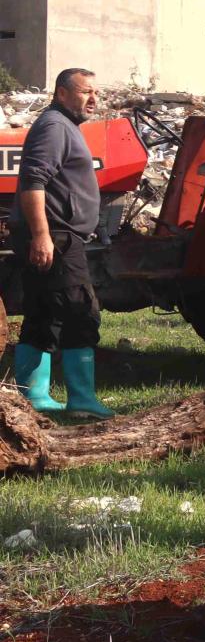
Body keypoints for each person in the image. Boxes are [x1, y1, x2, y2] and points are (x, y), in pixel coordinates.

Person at [9, 68, 110, 417]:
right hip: (57, 236)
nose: (93, 99)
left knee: (43, 313)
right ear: (62, 93)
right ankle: (82, 401)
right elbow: (34, 181)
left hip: (57, 235)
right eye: (85, 92)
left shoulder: (63, 126)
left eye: (96, 92)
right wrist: (42, 236)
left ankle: (33, 397)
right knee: (81, 311)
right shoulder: (54, 126)